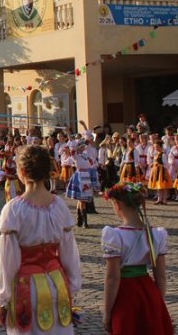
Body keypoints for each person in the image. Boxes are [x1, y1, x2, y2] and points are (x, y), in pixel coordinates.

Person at [0, 145, 81, 334]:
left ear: (22, 171)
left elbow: (8, 261)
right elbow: (69, 252)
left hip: (26, 287)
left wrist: (3, 299)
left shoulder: (13, 209)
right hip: (58, 283)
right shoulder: (59, 206)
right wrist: (71, 286)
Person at [101, 182, 172, 334]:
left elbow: (113, 277)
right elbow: (160, 276)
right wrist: (158, 304)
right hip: (148, 291)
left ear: (118, 204)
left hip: (126, 294)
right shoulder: (156, 235)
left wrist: (107, 313)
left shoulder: (115, 235)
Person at [65, 141, 98, 229]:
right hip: (79, 178)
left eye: (83, 147)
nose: (83, 148)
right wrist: (74, 145)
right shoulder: (76, 156)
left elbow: (93, 165)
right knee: (82, 200)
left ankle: (80, 219)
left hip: (86, 178)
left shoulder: (86, 156)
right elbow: (72, 152)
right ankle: (84, 221)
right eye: (81, 147)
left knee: (82, 200)